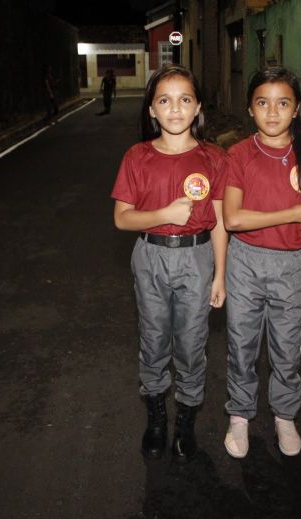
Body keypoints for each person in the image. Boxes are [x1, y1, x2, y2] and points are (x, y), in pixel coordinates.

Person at [111, 65, 228, 462]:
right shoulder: (137, 156)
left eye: (184, 100)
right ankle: (157, 416)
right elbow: (122, 217)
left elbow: (220, 222)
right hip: (151, 256)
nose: (175, 109)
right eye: (164, 100)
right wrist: (164, 214)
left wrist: (220, 276)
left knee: (192, 343)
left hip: (197, 258)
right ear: (152, 111)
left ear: (197, 108)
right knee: (154, 338)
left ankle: (186, 421)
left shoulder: (213, 157)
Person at [222, 66, 301, 459]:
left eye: (282, 103)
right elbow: (233, 219)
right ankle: (239, 416)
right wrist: (290, 214)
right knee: (242, 345)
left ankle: (285, 415)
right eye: (262, 103)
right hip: (246, 262)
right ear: (251, 109)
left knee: (287, 348)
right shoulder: (238, 155)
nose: (272, 112)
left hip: (290, 264)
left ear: (296, 109)